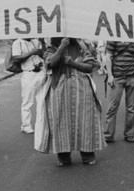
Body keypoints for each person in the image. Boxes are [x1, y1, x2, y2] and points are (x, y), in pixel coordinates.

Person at [35, 38, 106, 166]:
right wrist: (62, 47)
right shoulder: (51, 48)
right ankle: (63, 157)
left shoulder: (82, 47)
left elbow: (90, 67)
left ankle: (87, 155)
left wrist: (73, 63)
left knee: (85, 121)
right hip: (59, 91)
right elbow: (50, 63)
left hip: (82, 89)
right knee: (60, 122)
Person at [104, 41, 134, 143]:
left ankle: (129, 134)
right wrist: (110, 75)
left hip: (132, 76)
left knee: (131, 108)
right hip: (117, 77)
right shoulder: (114, 38)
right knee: (113, 107)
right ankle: (108, 135)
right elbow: (108, 56)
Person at [10, 38, 45, 134]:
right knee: (27, 102)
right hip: (28, 73)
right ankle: (26, 125)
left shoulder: (36, 41)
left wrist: (41, 45)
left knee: (42, 101)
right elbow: (16, 58)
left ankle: (41, 124)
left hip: (40, 72)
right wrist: (32, 53)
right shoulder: (18, 42)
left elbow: (44, 55)